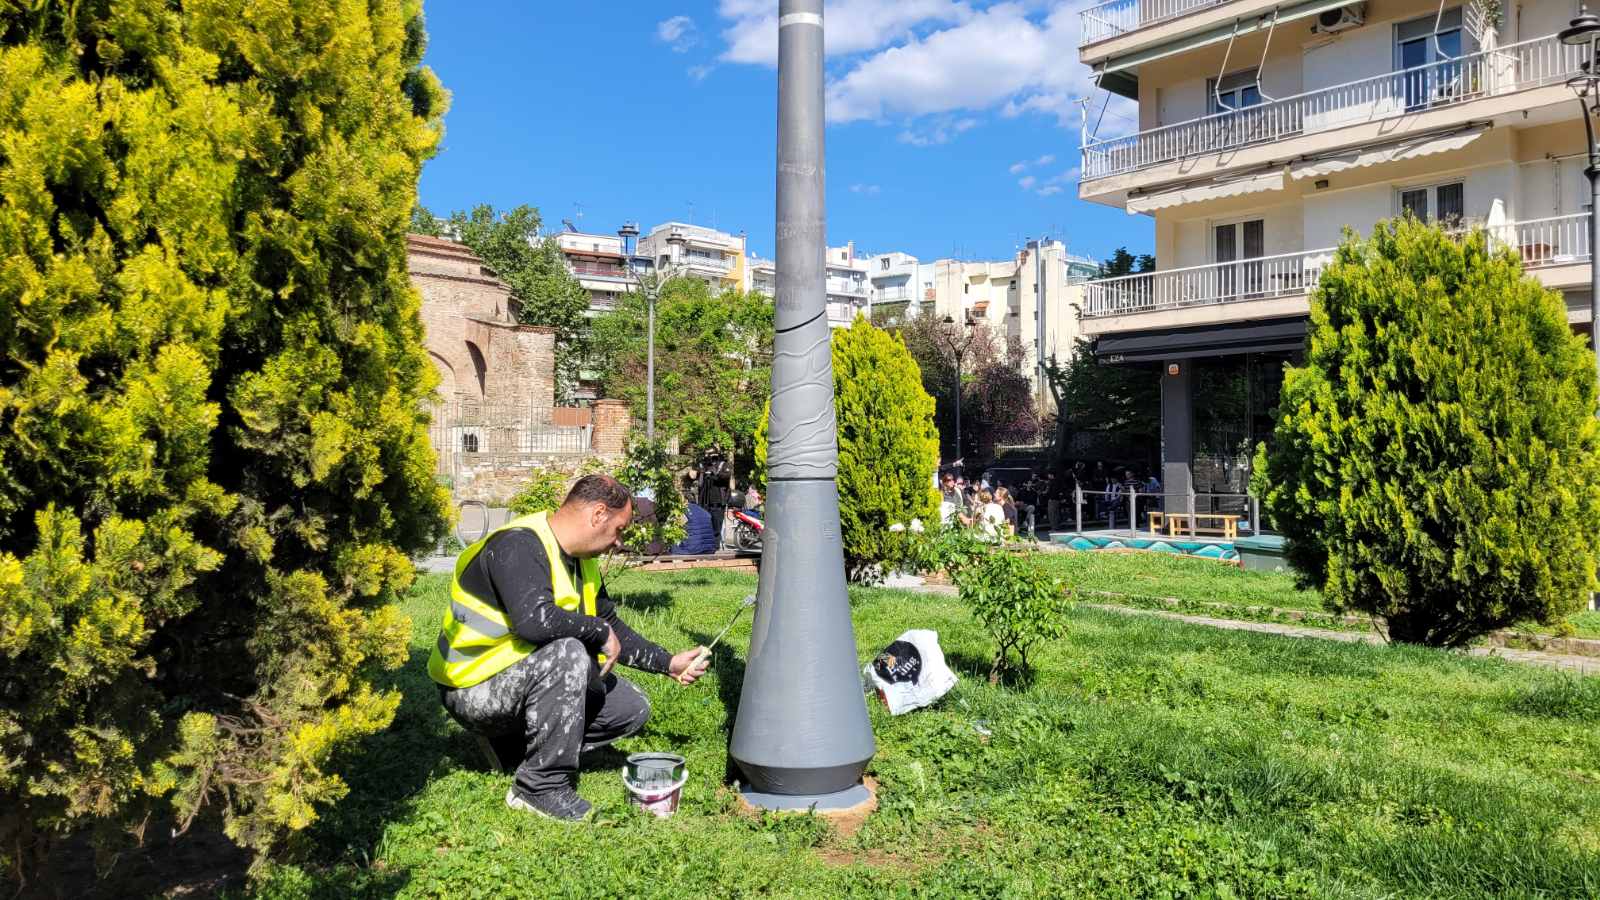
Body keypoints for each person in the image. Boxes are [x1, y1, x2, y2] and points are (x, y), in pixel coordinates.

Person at [428, 475, 711, 821]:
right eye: (619, 530)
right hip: (471, 688)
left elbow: (611, 624)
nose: (619, 542)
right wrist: (598, 631)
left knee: (629, 707)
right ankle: (539, 787)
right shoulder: (517, 545)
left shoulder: (582, 561)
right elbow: (535, 621)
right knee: (570, 654)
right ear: (598, 514)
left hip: (520, 677)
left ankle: (514, 748)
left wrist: (668, 663)